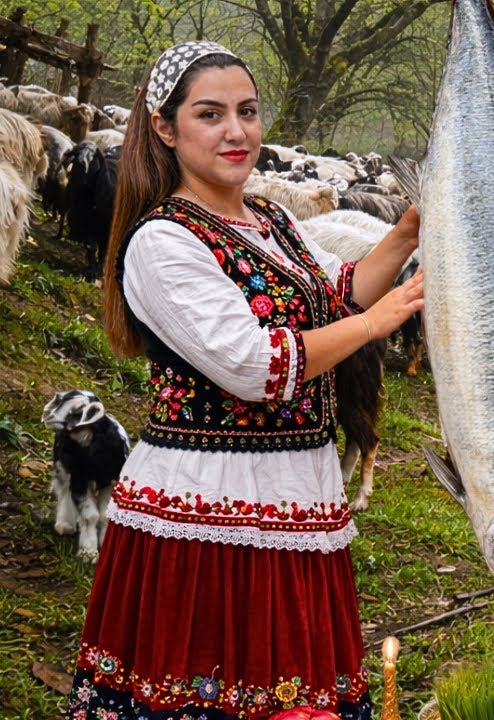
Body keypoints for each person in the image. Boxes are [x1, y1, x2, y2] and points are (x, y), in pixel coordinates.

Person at [68, 41, 423, 720]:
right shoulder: (163, 240)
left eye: (249, 111)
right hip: (205, 512)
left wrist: (408, 233)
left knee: (293, 693)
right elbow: (258, 367)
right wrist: (378, 325)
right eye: (211, 114)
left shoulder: (274, 222)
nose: (237, 131)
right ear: (167, 129)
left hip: (294, 492)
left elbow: (344, 291)